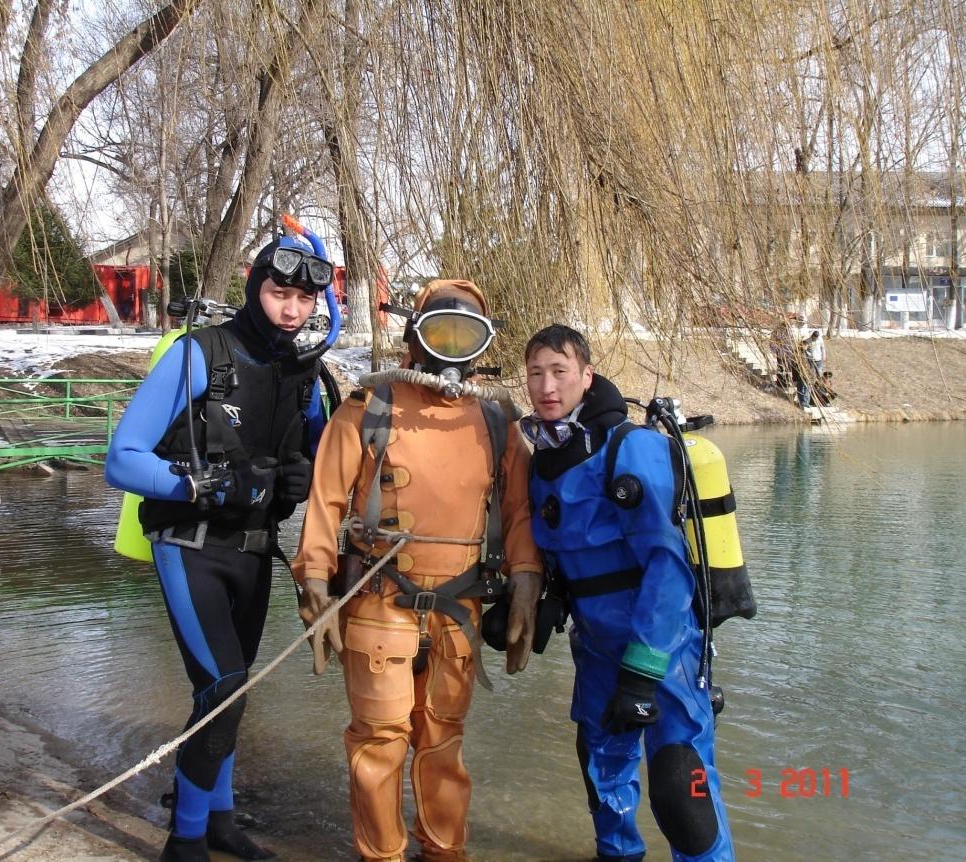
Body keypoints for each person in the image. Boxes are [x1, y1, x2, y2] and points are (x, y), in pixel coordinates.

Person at [293, 279, 543, 862]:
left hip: (458, 614)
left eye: (466, 336)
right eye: (440, 333)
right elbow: (325, 503)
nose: (450, 350)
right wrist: (314, 588)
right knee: (380, 742)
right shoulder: (367, 409)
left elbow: (519, 512)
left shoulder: (497, 422)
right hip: (379, 602)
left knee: (442, 741)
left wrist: (526, 584)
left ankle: (444, 852)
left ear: (483, 346)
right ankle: (380, 854)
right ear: (414, 335)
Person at [105, 231, 336, 862]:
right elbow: (120, 460)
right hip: (189, 543)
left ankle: (220, 821)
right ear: (254, 287)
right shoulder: (198, 353)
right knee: (224, 687)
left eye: (302, 299)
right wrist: (205, 482)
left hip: (255, 549)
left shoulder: (304, 372)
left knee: (230, 694)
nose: (291, 310)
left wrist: (305, 473)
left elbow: (323, 458)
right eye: (278, 292)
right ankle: (183, 842)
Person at [522, 324, 734, 862]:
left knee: (679, 783)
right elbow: (561, 547)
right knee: (602, 769)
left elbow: (668, 566)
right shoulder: (543, 459)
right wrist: (547, 600)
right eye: (535, 374)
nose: (547, 386)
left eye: (560, 372)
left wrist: (643, 669)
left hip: (664, 648)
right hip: (595, 647)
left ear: (587, 376)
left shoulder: (631, 449)